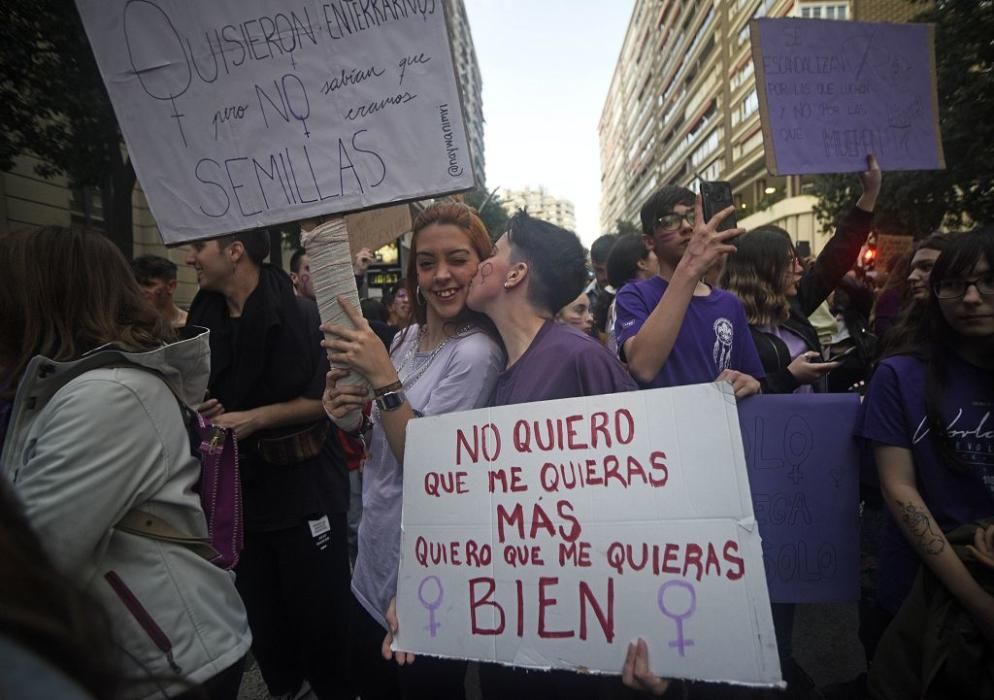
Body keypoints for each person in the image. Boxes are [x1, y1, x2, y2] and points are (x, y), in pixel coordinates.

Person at [0, 227, 251, 699]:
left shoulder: (109, 395)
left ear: (40, 297)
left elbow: (37, 558)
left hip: (172, 659)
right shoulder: (69, 390)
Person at [321, 202, 504, 700]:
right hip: (373, 561)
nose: (441, 275)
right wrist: (348, 412)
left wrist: (382, 378)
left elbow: (431, 467)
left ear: (484, 264)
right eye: (427, 263)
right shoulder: (403, 339)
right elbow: (379, 441)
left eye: (457, 259)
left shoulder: (477, 354)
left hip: (426, 576)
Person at [185, 229, 350, 700]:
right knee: (265, 616)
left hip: (306, 490)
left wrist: (256, 419)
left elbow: (327, 400)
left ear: (234, 251)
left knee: (320, 619)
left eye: (200, 246)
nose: (190, 257)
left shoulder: (302, 315)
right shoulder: (200, 324)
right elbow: (198, 396)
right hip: (239, 498)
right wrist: (204, 411)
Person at [859, 229, 994, 697]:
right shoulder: (899, 375)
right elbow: (901, 491)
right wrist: (977, 601)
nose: (972, 298)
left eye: (987, 281)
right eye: (954, 284)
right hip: (920, 595)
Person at [721, 155, 880, 394]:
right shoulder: (727, 326)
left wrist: (870, 194)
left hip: (811, 422)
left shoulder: (792, 307)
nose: (799, 268)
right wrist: (789, 377)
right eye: (788, 262)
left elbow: (836, 257)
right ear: (764, 269)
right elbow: (732, 395)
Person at [614, 188, 763, 397]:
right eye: (669, 221)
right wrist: (691, 267)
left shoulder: (730, 303)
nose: (686, 226)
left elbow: (752, 378)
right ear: (649, 241)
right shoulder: (634, 295)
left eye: (693, 217)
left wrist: (751, 384)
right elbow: (642, 368)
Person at [604, 233, 659, 355]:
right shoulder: (628, 298)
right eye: (654, 252)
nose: (659, 257)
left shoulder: (623, 296)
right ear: (642, 263)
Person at [131, 254, 188, 328]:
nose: (140, 291)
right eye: (135, 285)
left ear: (171, 286)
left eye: (148, 285)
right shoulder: (129, 326)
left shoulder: (192, 323)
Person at [586, 233, 619, 337]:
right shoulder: (585, 299)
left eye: (608, 270)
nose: (603, 277)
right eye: (598, 270)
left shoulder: (636, 291)